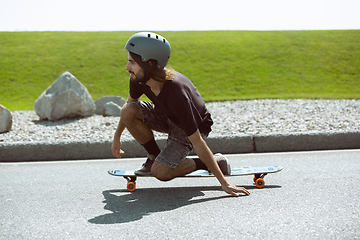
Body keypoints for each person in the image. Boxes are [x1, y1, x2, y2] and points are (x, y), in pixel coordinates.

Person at [112, 32, 250, 197]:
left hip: (192, 126)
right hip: (168, 115)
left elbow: (197, 141)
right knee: (129, 109)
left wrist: (224, 183)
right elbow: (128, 106)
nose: (127, 68)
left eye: (132, 62)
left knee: (161, 172)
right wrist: (117, 137)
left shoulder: (177, 93)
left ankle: (213, 162)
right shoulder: (139, 78)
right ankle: (154, 156)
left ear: (149, 63)